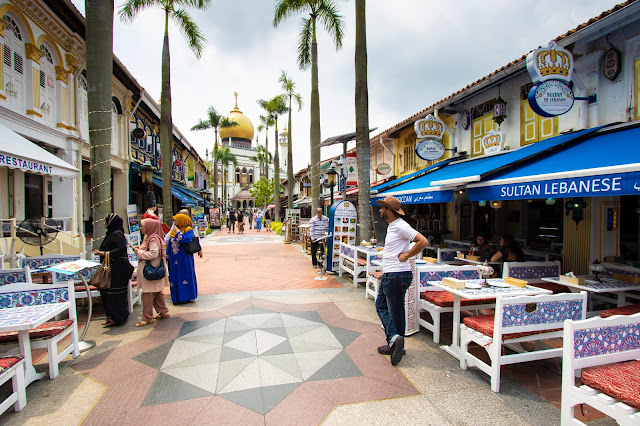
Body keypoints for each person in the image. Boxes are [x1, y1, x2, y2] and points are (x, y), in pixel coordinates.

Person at [376, 195, 428, 365]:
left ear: (389, 211)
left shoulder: (400, 226)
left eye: (383, 208)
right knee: (389, 308)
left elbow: (423, 241)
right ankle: (396, 343)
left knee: (390, 309)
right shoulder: (393, 226)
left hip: (397, 274)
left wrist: (406, 255)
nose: (380, 210)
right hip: (393, 273)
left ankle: (394, 338)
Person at [92, 213, 133, 327]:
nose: (104, 223)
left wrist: (103, 253)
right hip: (111, 270)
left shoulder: (118, 235)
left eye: (105, 221)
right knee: (107, 294)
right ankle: (110, 316)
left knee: (116, 294)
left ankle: (119, 317)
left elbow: (120, 250)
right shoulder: (110, 234)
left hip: (118, 270)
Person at [133, 218, 170, 327]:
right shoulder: (151, 238)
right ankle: (163, 311)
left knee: (148, 294)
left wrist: (139, 252)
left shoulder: (153, 239)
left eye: (143, 226)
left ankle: (147, 317)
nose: (141, 228)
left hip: (151, 271)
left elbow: (153, 254)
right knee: (157, 291)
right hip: (154, 270)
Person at [166, 213, 198, 303]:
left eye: (175, 220)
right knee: (174, 277)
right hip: (174, 260)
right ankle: (176, 298)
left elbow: (187, 239)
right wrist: (166, 256)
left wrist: (179, 232)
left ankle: (186, 297)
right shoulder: (173, 231)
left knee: (185, 275)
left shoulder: (188, 230)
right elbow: (170, 243)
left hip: (185, 258)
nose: (174, 223)